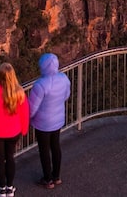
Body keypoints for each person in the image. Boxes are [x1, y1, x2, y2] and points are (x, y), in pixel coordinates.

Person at [0, 63, 30, 197]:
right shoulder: (19, 92)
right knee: (10, 158)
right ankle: (10, 187)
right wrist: (24, 130)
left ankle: (1, 188)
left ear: (0, 75)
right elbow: (25, 114)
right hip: (14, 131)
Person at [28, 53, 71, 189]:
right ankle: (56, 176)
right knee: (55, 146)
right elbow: (66, 96)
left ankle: (47, 179)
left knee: (44, 150)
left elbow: (32, 108)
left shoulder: (40, 85)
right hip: (57, 119)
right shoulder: (64, 78)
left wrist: (27, 118)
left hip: (42, 123)